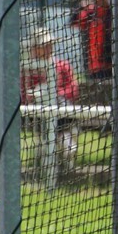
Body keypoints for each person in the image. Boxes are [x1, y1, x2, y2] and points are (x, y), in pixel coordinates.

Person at [21, 27, 80, 176]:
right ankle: (62, 145)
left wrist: (53, 94)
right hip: (38, 114)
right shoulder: (28, 69)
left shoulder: (62, 65)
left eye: (49, 44)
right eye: (43, 46)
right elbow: (23, 94)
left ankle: (62, 144)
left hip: (62, 111)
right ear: (34, 49)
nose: (48, 48)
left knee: (60, 103)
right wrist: (38, 95)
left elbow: (73, 89)